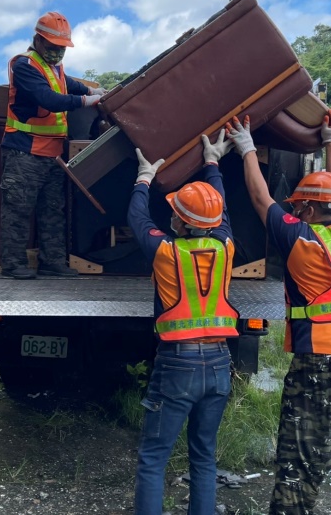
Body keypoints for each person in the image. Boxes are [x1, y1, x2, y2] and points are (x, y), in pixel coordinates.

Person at [227, 110, 331, 515]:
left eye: (299, 208)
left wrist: (246, 149)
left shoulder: (301, 240)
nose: (294, 213)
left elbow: (261, 199)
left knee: (301, 462)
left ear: (310, 212)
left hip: (321, 362)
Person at [129, 131, 239, 515]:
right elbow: (220, 212)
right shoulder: (225, 246)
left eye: (175, 211)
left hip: (178, 364)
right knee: (204, 457)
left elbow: (137, 218)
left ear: (179, 219)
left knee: (154, 458)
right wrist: (213, 163)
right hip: (220, 364)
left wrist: (144, 177)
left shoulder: (165, 251)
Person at [0, 11, 104, 279]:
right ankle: (13, 264)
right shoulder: (24, 65)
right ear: (38, 39)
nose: (57, 53)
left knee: (52, 211)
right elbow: (48, 98)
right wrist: (86, 101)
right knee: (18, 211)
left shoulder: (53, 67)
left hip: (52, 154)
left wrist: (89, 90)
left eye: (61, 49)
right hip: (25, 151)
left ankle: (53, 262)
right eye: (53, 47)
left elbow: (65, 83)